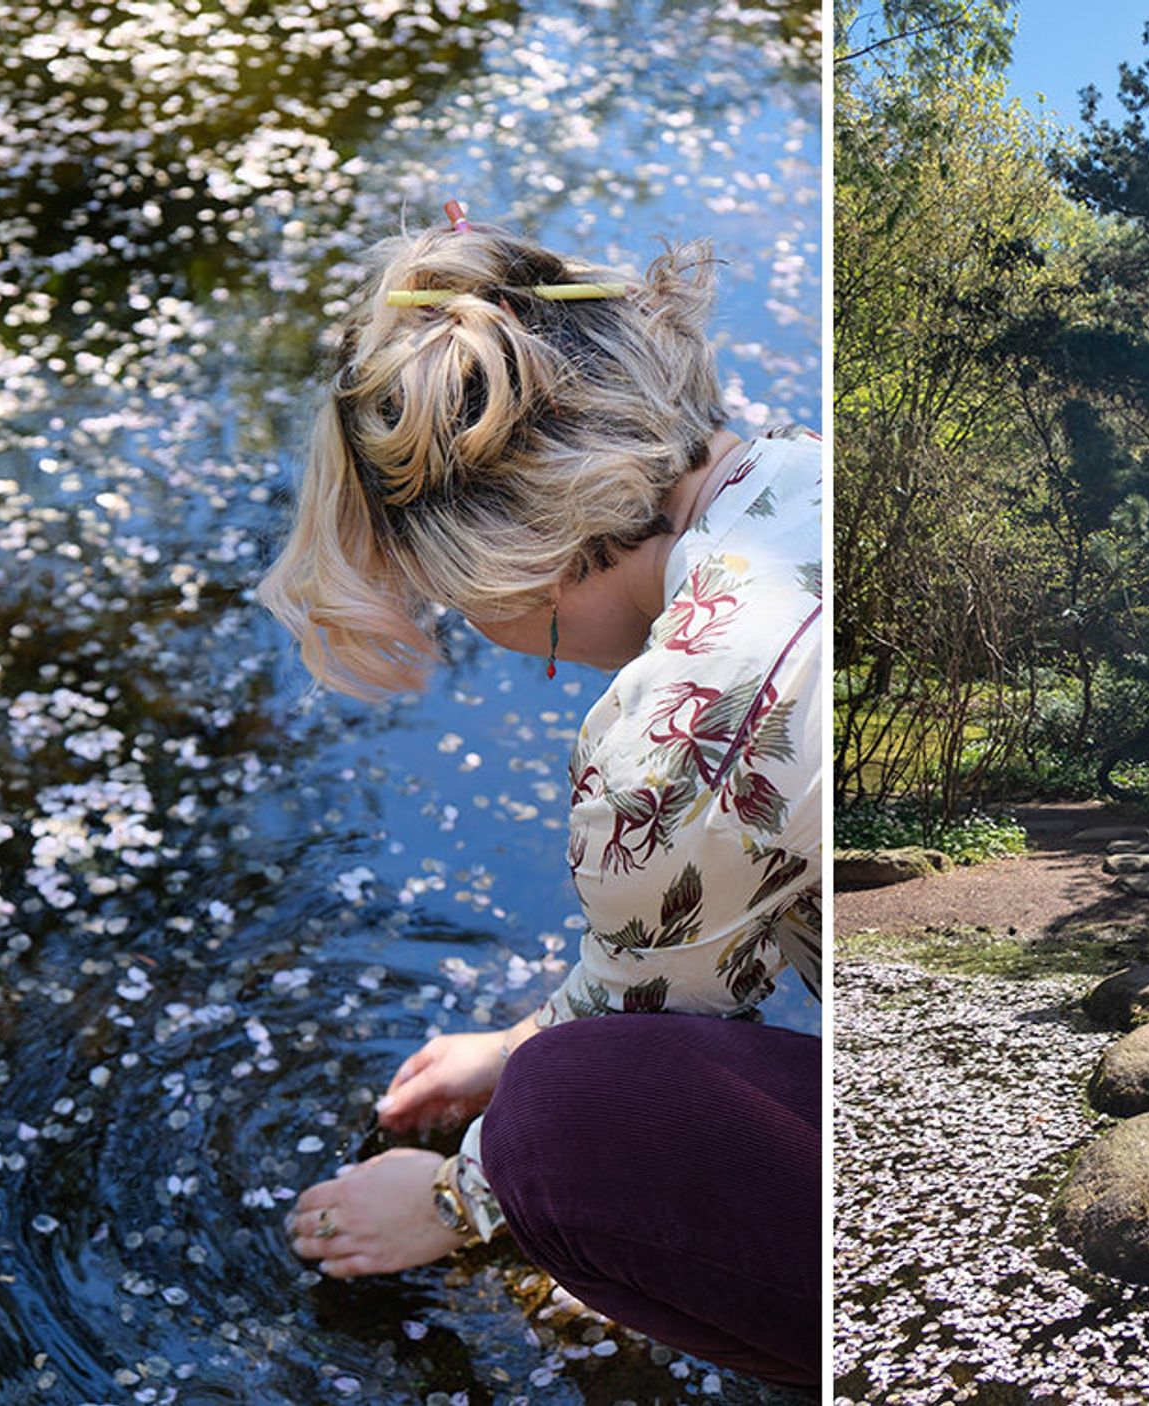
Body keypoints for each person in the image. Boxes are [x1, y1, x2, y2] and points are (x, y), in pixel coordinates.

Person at [257, 206, 822, 1388]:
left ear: (516, 560)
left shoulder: (676, 727)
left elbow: (649, 1034)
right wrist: (515, 1040)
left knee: (565, 1121)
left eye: (455, 602)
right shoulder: (802, 472)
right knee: (546, 1072)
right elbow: (687, 952)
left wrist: (466, 1193)